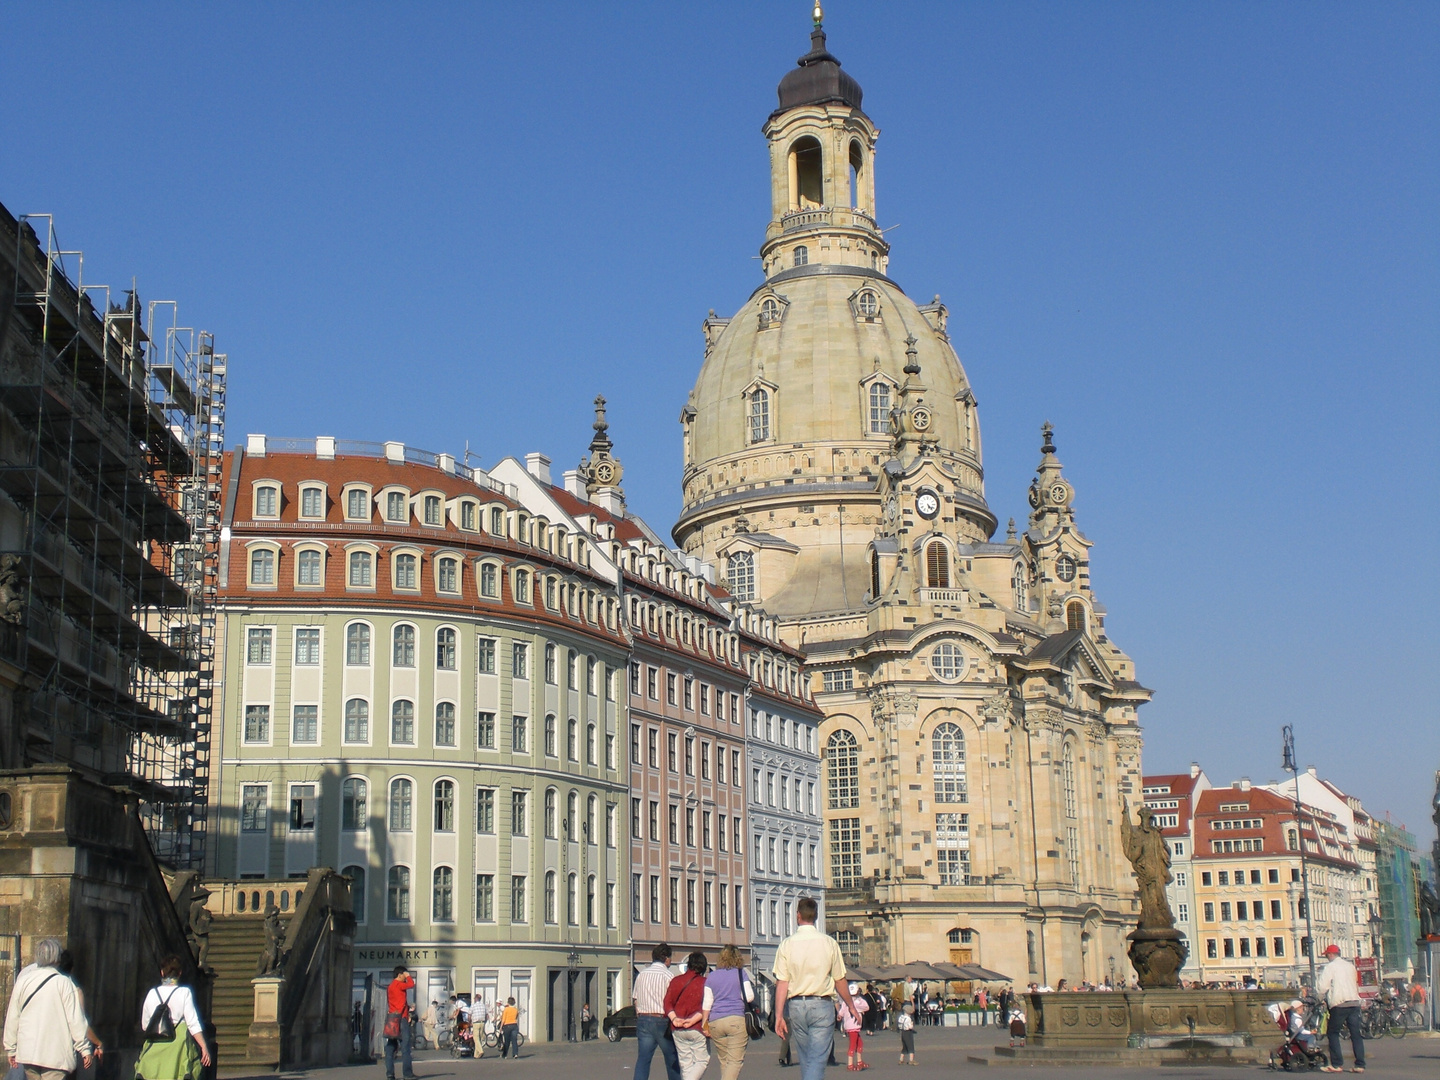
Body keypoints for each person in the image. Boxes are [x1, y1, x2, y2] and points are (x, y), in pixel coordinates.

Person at [773, 897, 859, 1080]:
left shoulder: (786, 945)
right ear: (815, 916)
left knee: (806, 1059)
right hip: (821, 1004)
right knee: (818, 1059)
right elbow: (840, 980)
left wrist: (779, 1015)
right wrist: (851, 1006)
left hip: (796, 1005)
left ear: (798, 915)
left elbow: (782, 983)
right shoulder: (828, 943)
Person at [3, 938, 94, 1080]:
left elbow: (13, 1017)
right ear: (57, 957)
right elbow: (75, 1020)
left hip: (28, 1053)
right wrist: (84, 1048)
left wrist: (11, 1048)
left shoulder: (23, 981)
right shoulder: (64, 983)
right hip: (55, 1056)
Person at [135, 955, 213, 1080]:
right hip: (178, 1048)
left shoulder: (152, 993)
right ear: (180, 973)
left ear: (162, 972)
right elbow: (193, 1023)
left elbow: (145, 1025)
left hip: (154, 1047)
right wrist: (204, 1047)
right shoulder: (184, 992)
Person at [701, 945, 753, 1080]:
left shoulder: (712, 976)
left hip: (715, 1022)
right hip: (736, 1019)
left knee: (725, 1061)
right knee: (735, 1061)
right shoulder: (741, 973)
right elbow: (749, 996)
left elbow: (707, 1002)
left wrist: (704, 1023)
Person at [633, 944, 681, 1080]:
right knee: (671, 1059)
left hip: (643, 1018)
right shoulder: (668, 976)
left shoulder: (642, 975)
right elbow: (673, 1000)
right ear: (666, 958)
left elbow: (635, 998)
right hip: (662, 1020)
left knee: (643, 1060)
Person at [1316, 945, 1364, 1073]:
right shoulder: (1350, 966)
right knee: (1355, 1034)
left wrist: (1319, 998)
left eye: (1327, 955)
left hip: (1339, 1003)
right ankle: (1360, 1064)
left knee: (1333, 1033)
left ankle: (1337, 1064)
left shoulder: (1330, 967)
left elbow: (1322, 986)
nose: (1327, 957)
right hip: (1353, 1002)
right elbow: (1355, 982)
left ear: (1330, 955)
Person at [666, 952, 709, 1080]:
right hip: (697, 1027)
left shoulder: (676, 981)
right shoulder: (705, 983)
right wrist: (692, 1020)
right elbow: (708, 1006)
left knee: (686, 1064)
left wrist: (674, 1018)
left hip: (677, 1028)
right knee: (702, 1060)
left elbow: (667, 1003)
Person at [384, 965, 417, 1080]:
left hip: (391, 1017)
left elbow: (395, 1001)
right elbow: (411, 984)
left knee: (390, 1046)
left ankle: (390, 1074)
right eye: (404, 975)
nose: (405, 977)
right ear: (399, 974)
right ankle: (407, 1074)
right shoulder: (398, 984)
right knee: (405, 1046)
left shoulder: (390, 986)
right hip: (401, 1018)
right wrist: (409, 976)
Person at [837, 983, 868, 1071]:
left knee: (859, 1043)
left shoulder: (845, 1002)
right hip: (853, 1025)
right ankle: (850, 1064)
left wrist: (839, 1016)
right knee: (853, 1044)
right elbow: (866, 1007)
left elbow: (841, 1012)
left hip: (849, 1025)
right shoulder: (858, 1001)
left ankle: (859, 1061)